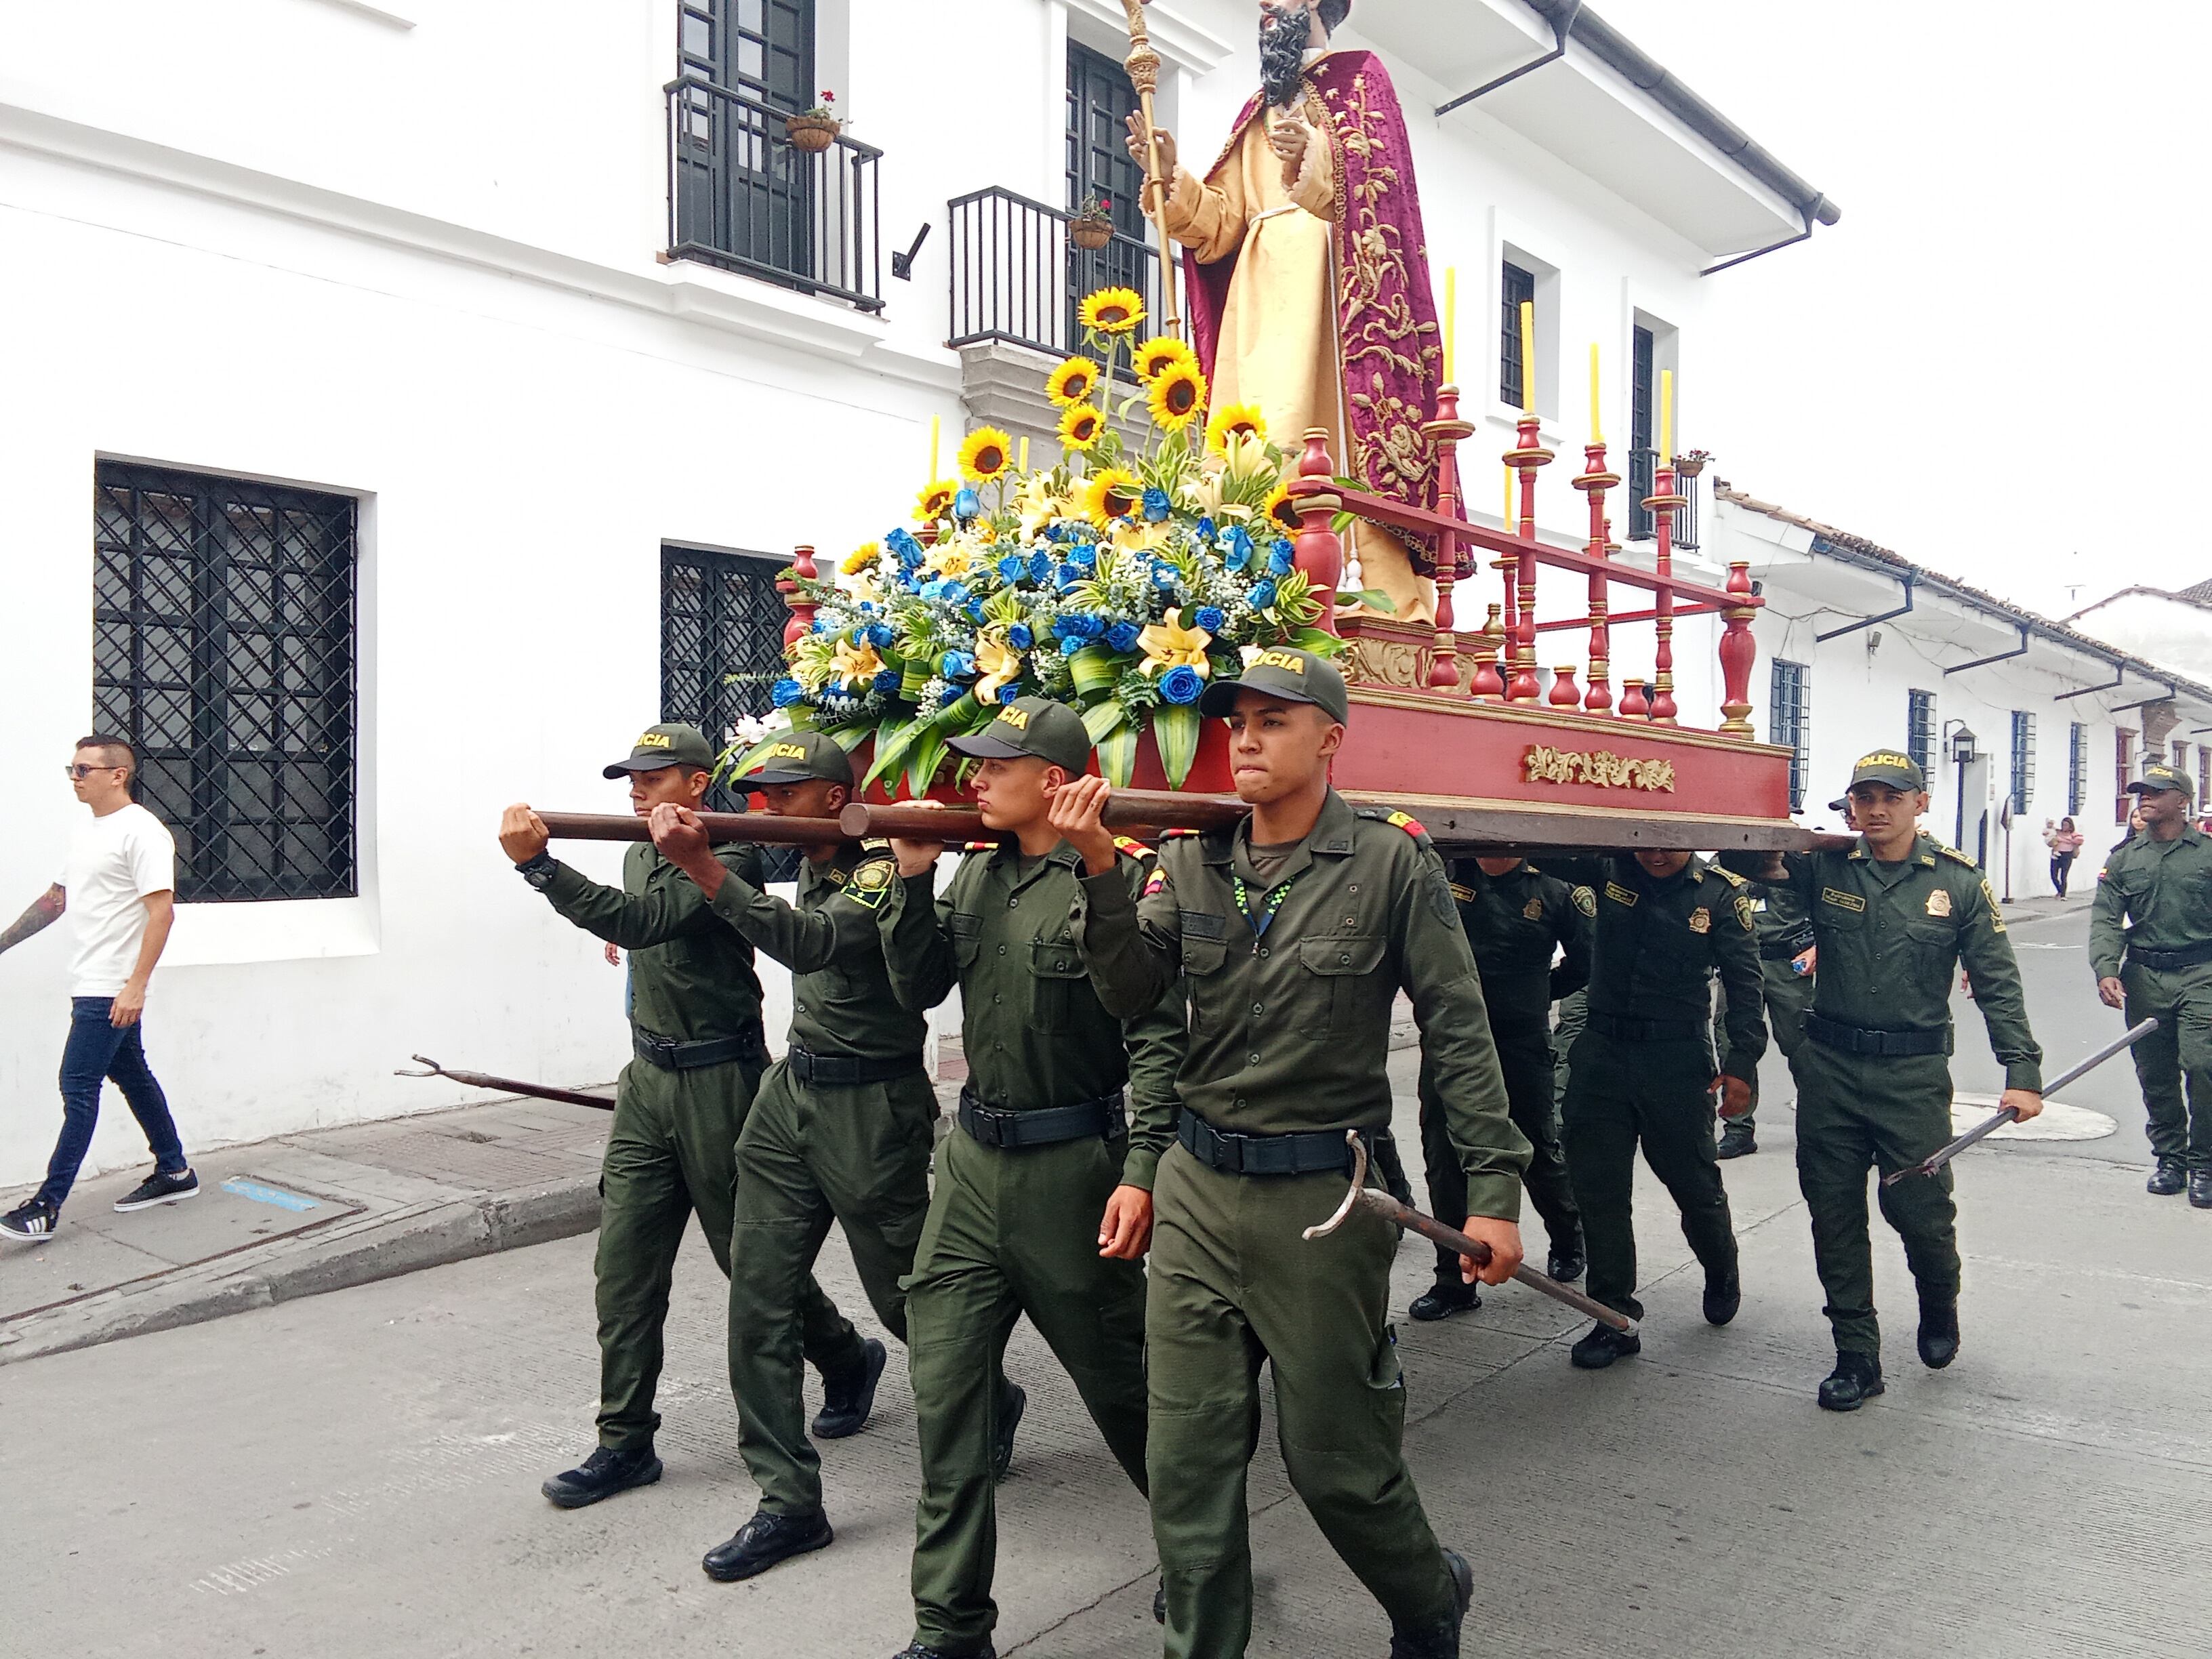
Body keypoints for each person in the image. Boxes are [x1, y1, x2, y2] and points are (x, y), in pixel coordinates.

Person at [1062, 648, 1530, 1659]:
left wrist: (1492, 1191)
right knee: (1187, 1458)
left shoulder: (1389, 863)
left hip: (1324, 1199)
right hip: (1194, 1188)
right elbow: (1134, 993)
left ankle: (1425, 1599)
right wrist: (1101, 869)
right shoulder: (1188, 860)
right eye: (1239, 724)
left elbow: (1459, 1030)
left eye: (1275, 722)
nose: (1250, 740)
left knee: (1337, 1464)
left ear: (1330, 739)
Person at [872, 697, 1182, 1659]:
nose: (970, 780)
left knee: (1126, 1392)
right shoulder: (970, 879)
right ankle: (951, 1625)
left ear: (1052, 782)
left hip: (1070, 1171)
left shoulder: (1120, 878)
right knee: (947, 1392)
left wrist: (1142, 1169)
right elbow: (918, 989)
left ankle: (1200, 1550)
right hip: (970, 1170)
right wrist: (914, 884)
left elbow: (1154, 1030)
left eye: (990, 766)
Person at [500, 724, 869, 1511]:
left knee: (750, 1262)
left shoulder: (725, 852)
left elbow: (643, 922)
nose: (636, 789)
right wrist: (621, 928)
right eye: (630, 776)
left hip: (719, 1080)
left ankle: (843, 1356)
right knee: (625, 1270)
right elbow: (636, 925)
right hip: (648, 1080)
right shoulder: (643, 846)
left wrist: (540, 869)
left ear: (699, 784)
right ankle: (624, 1442)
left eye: (655, 776)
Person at [643, 729, 957, 1581]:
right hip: (792, 1095)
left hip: (871, 1104)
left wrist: (706, 870)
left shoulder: (882, 869)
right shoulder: (805, 863)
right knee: (759, 1296)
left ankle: (988, 1403)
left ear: (832, 798)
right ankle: (788, 1501)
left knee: (907, 1299)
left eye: (783, 795)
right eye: (757, 794)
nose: (764, 809)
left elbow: (809, 943)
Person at [1727, 750, 2043, 1410]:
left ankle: (1938, 1300)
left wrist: (2022, 1070)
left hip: (1912, 1077)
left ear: (1920, 803)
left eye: (1890, 798)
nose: (1875, 810)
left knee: (1921, 1210)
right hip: (1831, 1069)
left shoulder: (1958, 884)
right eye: (1863, 798)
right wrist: (1789, 830)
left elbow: (1998, 981)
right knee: (1833, 1213)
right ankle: (1856, 1354)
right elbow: (1739, 857)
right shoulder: (1828, 865)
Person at [1130, 0, 1452, 624]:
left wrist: (1313, 157)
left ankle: (1363, 597)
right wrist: (1172, 180)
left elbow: (1378, 198)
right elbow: (1221, 227)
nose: (1263, 4)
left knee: (1321, 443)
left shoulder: (1362, 77)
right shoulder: (1256, 110)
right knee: (1250, 454)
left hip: (1332, 300)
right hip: (1256, 307)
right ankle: (1245, 590)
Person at [1550, 848, 1766, 1369]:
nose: (1656, 851)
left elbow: (1745, 983)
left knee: (1692, 1182)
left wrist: (1742, 1063)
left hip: (1676, 1058)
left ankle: (1721, 1267)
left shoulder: (1719, 892)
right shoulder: (1606, 869)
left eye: (1670, 839)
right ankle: (1613, 1316)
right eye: (1646, 837)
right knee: (1599, 1190)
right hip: (1603, 1051)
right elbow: (1541, 843)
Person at [1, 736, 194, 1243]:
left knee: (77, 1086)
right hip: (91, 978)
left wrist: (135, 986)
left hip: (111, 986)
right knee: (133, 1075)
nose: (74, 776)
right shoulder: (88, 829)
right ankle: (175, 1171)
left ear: (118, 775)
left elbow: (162, 912)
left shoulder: (143, 833)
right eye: (72, 767)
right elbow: (56, 899)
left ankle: (46, 1204)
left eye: (84, 768)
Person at [1410, 855, 1589, 1321]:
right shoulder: (1446, 875)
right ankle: (1453, 1279)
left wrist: (1536, 991)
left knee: (1535, 1150)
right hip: (1450, 1040)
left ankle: (1568, 1238)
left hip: (1519, 1039)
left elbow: (1586, 960)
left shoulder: (1555, 889)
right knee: (1444, 1159)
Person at [2089, 762, 2212, 1206]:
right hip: (2144, 978)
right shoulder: (2125, 859)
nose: (2144, 798)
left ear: (2182, 801)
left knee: (2202, 1066)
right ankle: (2170, 1160)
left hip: (2202, 973)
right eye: (2141, 791)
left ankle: (2204, 1163)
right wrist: (2105, 968)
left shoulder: (2207, 854)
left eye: (2156, 792)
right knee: (2155, 1075)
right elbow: (2105, 919)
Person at [1711, 879, 1816, 1161]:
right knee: (1731, 1043)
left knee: (1804, 1047)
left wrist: (1818, 947)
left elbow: (1830, 909)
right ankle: (1738, 1129)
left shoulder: (1794, 862)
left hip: (1788, 965)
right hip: (1738, 964)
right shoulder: (1724, 860)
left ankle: (1818, 1127)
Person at [2045, 816, 2085, 897]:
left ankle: (2063, 895)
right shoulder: (2057, 832)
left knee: (2064, 875)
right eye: (2063, 825)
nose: (2064, 827)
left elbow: (2080, 841)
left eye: (2066, 825)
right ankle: (2060, 890)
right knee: (2053, 875)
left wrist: (2065, 840)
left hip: (2067, 855)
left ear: (2070, 826)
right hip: (2057, 854)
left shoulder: (2073, 834)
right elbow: (2050, 838)